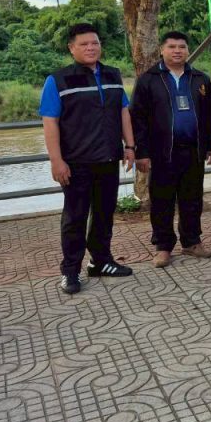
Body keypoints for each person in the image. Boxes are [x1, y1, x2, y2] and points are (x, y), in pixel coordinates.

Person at [40, 23, 135, 295]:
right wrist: (56, 160)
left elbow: (123, 112)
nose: (91, 48)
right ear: (72, 48)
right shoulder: (58, 80)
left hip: (108, 158)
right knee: (75, 218)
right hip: (75, 162)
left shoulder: (113, 75)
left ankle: (101, 261)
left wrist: (130, 146)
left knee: (105, 214)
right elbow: (50, 121)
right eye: (84, 44)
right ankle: (71, 271)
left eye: (95, 43)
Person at [130, 31, 211, 268]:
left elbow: (210, 115)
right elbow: (138, 118)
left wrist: (209, 145)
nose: (177, 51)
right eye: (172, 47)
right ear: (162, 50)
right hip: (162, 152)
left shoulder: (200, 78)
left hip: (193, 150)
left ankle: (192, 242)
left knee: (192, 199)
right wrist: (141, 152)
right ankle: (163, 247)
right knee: (162, 201)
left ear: (187, 50)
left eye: (182, 47)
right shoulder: (148, 79)